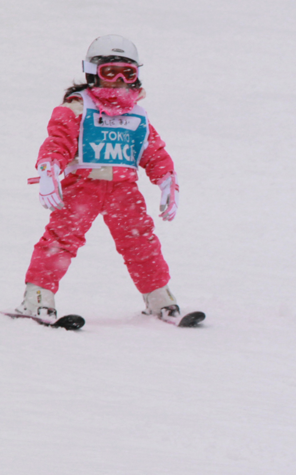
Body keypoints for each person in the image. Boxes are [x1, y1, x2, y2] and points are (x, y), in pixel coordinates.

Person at [14, 34, 184, 323]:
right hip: (83, 187)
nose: (118, 79)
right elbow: (58, 141)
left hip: (124, 190)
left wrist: (167, 178)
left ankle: (158, 296)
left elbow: (152, 151)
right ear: (93, 73)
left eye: (127, 73)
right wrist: (49, 168)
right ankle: (38, 296)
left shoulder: (137, 115)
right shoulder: (77, 108)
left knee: (141, 241)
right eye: (109, 72)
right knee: (61, 239)